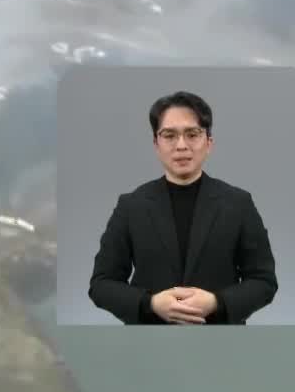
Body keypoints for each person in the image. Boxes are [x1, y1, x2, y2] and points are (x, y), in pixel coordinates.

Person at [87, 91, 278, 325]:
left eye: (192, 134)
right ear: (156, 144)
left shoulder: (238, 204)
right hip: (149, 346)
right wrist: (151, 304)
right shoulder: (131, 206)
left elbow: (264, 281)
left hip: (222, 344)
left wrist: (217, 302)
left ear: (209, 142)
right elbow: (101, 284)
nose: (181, 146)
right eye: (169, 135)